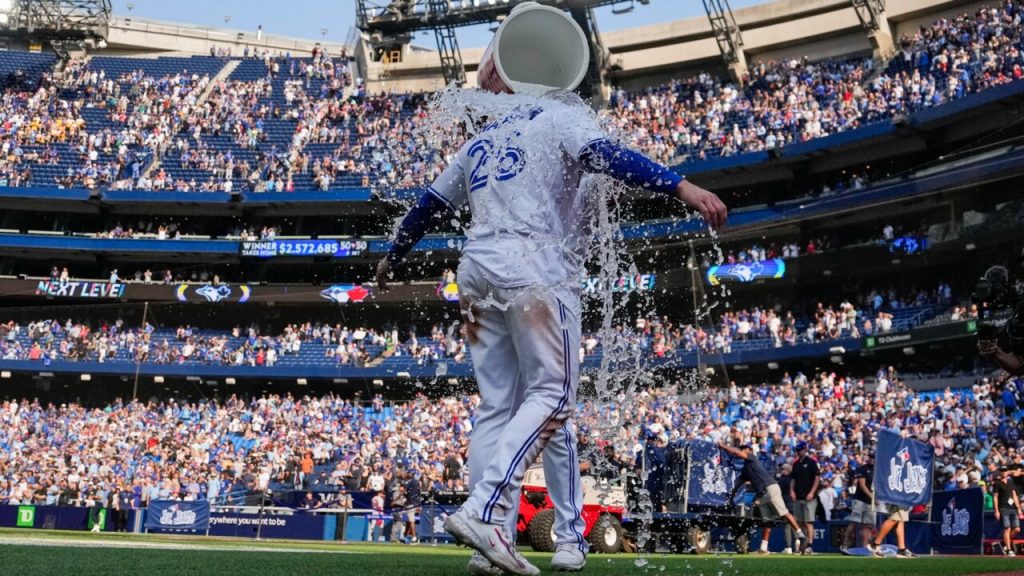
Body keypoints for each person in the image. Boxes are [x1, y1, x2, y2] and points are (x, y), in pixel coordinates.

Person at [377, 82, 725, 576]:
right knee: (555, 399)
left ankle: (495, 544)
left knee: (501, 407)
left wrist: (395, 252)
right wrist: (682, 186)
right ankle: (484, 514)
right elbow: (609, 155)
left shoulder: (484, 139)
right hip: (534, 269)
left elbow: (430, 203)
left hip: (475, 272)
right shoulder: (560, 119)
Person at [719, 443, 807, 554]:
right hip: (763, 494)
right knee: (767, 521)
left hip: (770, 488)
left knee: (783, 512)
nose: (743, 451)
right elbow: (737, 484)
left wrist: (724, 446)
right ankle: (763, 548)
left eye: (745, 449)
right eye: (742, 449)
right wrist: (729, 496)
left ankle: (801, 536)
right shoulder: (746, 470)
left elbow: (736, 452)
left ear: (749, 450)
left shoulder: (752, 457)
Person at [789, 441, 819, 554]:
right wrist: (792, 490)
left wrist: (812, 492)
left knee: (808, 522)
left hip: (809, 497)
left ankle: (809, 544)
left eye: (800, 450)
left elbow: (817, 478)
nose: (798, 452)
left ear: (805, 449)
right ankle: (802, 543)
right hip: (798, 496)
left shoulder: (811, 462)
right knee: (799, 522)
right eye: (797, 450)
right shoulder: (796, 464)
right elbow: (793, 479)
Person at [842, 452, 875, 550]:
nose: (872, 459)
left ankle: (865, 547)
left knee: (868, 525)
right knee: (854, 522)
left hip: (870, 502)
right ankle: (845, 544)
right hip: (860, 500)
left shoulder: (878, 471)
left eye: (874, 458)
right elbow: (862, 485)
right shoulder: (863, 468)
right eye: (871, 457)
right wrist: (872, 497)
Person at [993, 468, 1023, 556]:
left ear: (1007, 472)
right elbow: (995, 497)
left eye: (1005, 471)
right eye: (1002, 471)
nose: (1004, 472)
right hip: (1003, 507)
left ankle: (1004, 542)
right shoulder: (997, 483)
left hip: (1012, 507)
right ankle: (1009, 549)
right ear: (1000, 472)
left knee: (1017, 529)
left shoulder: (1010, 482)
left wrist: (1018, 508)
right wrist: (996, 510)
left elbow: (1014, 495)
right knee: (1007, 528)